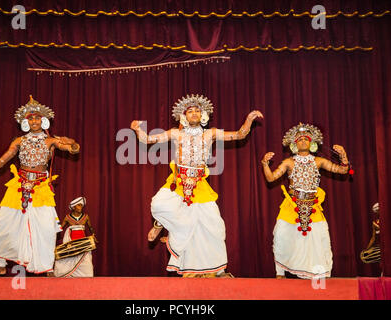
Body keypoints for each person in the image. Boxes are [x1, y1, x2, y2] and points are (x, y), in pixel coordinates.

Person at [131, 94, 263, 278]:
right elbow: (148, 140)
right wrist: (138, 131)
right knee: (159, 204)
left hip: (200, 185)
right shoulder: (176, 133)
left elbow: (239, 135)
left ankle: (215, 270)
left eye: (197, 110)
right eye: (190, 111)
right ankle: (159, 223)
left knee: (214, 227)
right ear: (184, 116)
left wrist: (249, 120)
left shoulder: (210, 133)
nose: (194, 113)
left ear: (202, 115)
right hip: (178, 182)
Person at [0, 95, 80, 277]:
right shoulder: (18, 142)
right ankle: (2, 263)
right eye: (30, 118)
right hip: (19, 186)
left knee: (47, 229)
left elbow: (73, 150)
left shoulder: (51, 141)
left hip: (41, 187)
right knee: (2, 224)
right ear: (25, 122)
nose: (34, 120)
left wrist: (71, 142)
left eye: (37, 118)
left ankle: (48, 267)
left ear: (43, 120)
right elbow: (0, 162)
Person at [261, 123, 350, 279]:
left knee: (318, 238)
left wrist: (343, 156)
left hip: (313, 206)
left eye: (306, 139)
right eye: (299, 139)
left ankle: (319, 273)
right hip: (292, 205)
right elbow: (271, 178)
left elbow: (343, 170)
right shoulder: (289, 162)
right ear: (294, 144)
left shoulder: (319, 161)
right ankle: (280, 272)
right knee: (281, 234)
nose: (303, 141)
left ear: (312, 143)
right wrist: (264, 165)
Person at [53, 196, 98, 277]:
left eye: (81, 205)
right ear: (74, 207)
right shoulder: (67, 217)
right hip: (71, 241)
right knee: (70, 257)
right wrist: (54, 232)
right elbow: (60, 228)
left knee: (86, 258)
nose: (81, 207)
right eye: (79, 205)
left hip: (83, 241)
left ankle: (86, 274)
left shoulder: (86, 216)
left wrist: (93, 235)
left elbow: (90, 227)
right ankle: (68, 274)